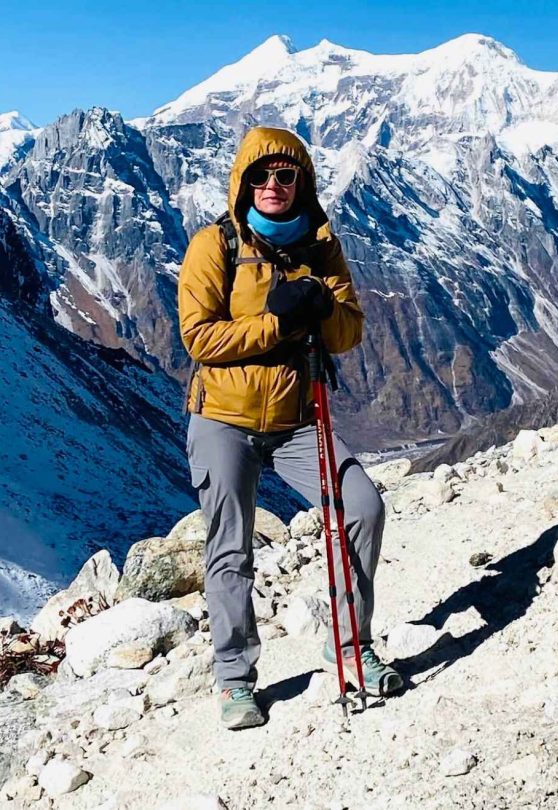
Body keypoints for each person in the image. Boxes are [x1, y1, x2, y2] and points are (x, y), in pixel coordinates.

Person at [178, 126, 402, 730]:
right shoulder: (214, 245)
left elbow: (348, 334)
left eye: (285, 175)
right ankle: (234, 679)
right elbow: (199, 337)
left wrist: (324, 308)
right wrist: (276, 325)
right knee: (231, 548)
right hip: (223, 419)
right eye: (260, 175)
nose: (272, 185)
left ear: (302, 182)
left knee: (362, 508)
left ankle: (351, 645)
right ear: (243, 182)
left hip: (299, 417)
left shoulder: (321, 249)